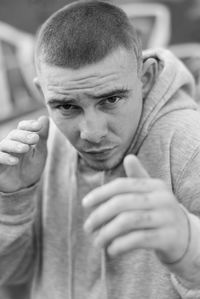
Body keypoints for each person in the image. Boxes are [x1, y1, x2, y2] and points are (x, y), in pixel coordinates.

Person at [0, 1, 200, 298]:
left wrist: (190, 248)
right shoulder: (39, 150)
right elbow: (12, 274)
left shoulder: (191, 147)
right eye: (67, 106)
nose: (91, 133)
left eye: (111, 100)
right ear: (44, 93)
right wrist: (12, 204)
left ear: (145, 78)